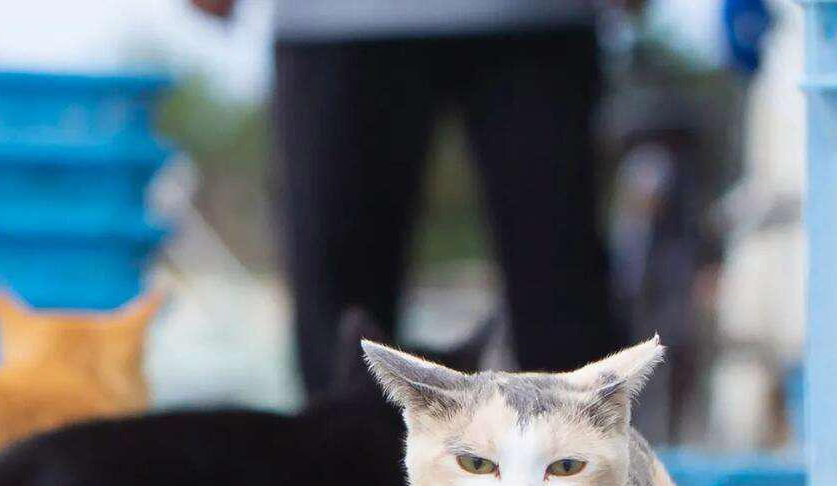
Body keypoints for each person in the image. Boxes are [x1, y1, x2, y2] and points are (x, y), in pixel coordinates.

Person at [190, 0, 624, 393]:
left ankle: (582, 474)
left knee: (565, 308)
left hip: (535, 20)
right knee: (342, 342)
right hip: (331, 22)